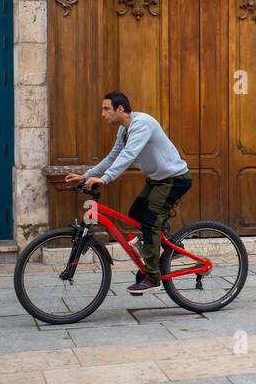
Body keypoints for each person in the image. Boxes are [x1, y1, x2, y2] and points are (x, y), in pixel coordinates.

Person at [65, 91, 192, 295]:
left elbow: (129, 154)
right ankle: (170, 249)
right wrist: (85, 176)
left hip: (175, 180)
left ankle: (153, 278)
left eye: (106, 109)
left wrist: (105, 178)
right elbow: (112, 157)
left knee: (150, 222)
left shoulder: (142, 124)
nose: (102, 114)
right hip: (158, 179)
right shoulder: (124, 130)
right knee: (135, 214)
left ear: (120, 109)